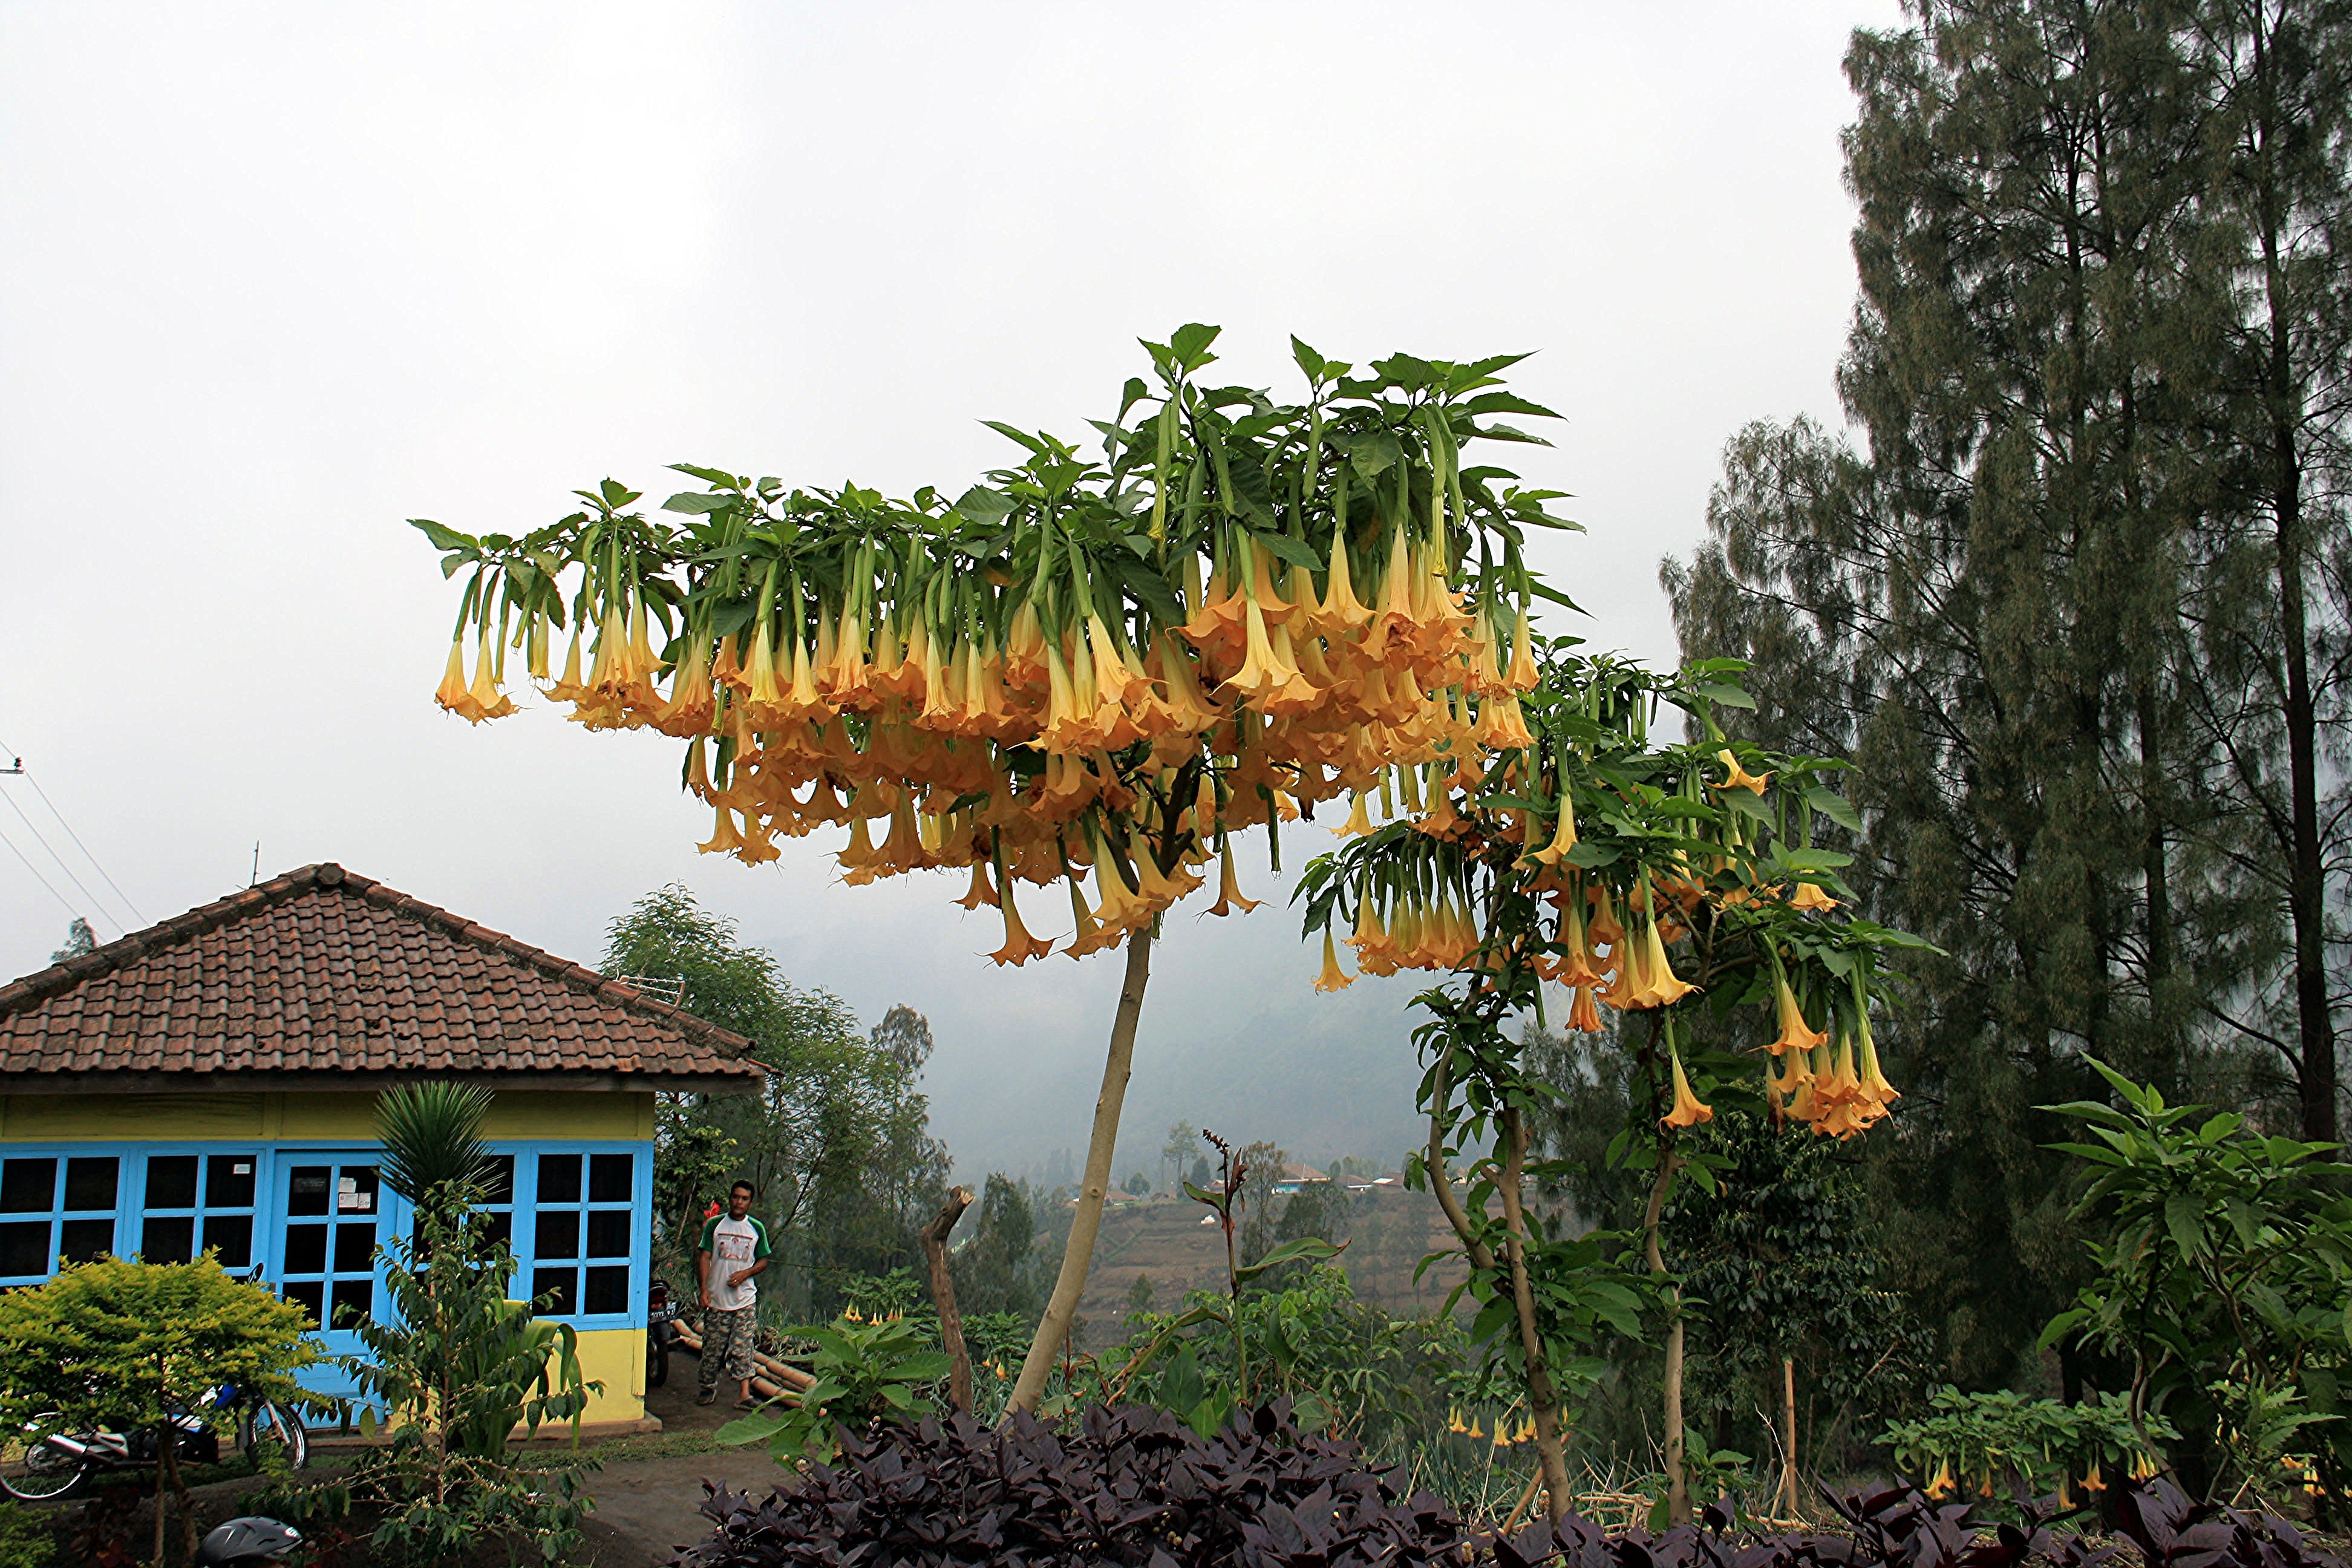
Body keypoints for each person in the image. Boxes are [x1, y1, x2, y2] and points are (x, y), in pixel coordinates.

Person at [696, 1179, 773, 1409]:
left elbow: (763, 1260)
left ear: (750, 1203)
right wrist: (704, 1289)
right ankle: (707, 1387)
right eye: (736, 1197)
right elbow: (705, 1257)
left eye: (744, 1199)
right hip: (718, 1299)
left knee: (743, 1347)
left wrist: (745, 1273)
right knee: (713, 1347)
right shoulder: (715, 1225)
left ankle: (744, 1394)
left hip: (744, 1300)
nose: (739, 1202)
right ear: (730, 1198)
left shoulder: (756, 1228)